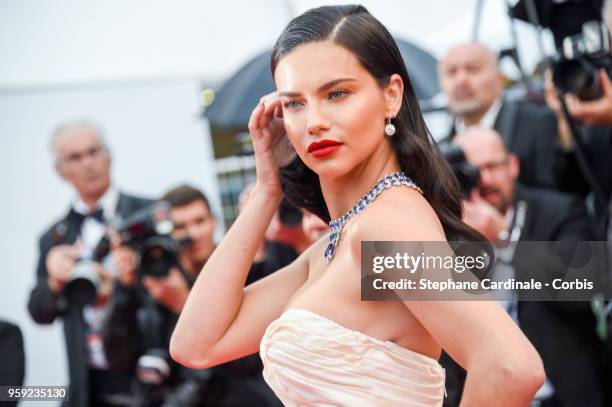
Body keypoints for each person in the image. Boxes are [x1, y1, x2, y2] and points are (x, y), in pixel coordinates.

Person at [170, 5, 545, 406]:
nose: (314, 120)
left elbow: (511, 366)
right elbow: (197, 344)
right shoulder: (340, 242)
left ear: (391, 95)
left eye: (337, 93)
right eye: (295, 103)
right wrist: (266, 190)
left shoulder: (387, 227)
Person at [444, 127, 609, 407]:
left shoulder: (560, 211)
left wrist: (506, 240)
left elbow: (581, 291)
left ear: (513, 166)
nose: (483, 179)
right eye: (470, 171)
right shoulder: (443, 229)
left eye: (491, 167)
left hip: (563, 394)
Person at [27, 121, 152, 406]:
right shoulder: (53, 236)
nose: (88, 164)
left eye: (93, 152)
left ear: (108, 155)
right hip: (88, 383)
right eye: (75, 157)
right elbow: (39, 312)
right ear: (60, 171)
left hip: (147, 373)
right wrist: (54, 282)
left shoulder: (146, 213)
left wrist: (131, 280)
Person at [439, 43, 558, 189]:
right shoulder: (438, 152)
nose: (461, 80)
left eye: (473, 69)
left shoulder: (540, 122)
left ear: (499, 79)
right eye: (451, 72)